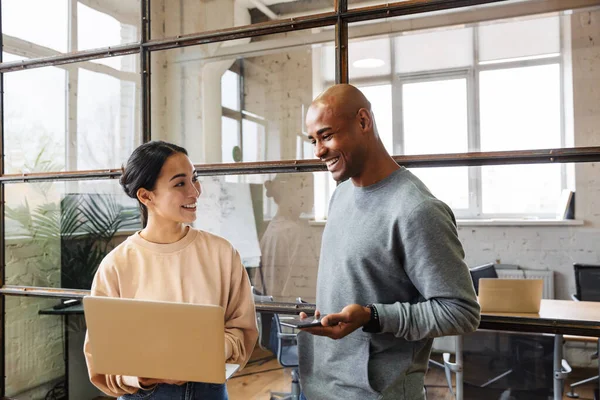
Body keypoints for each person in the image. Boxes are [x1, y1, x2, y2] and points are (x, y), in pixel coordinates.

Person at [297, 84, 480, 400]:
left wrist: (372, 317)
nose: (318, 151)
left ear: (364, 122)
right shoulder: (340, 195)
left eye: (326, 136)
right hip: (319, 389)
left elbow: (461, 311)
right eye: (313, 140)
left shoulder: (417, 210)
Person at [83, 140, 258, 400]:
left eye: (194, 179)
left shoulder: (222, 254)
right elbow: (101, 359)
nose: (195, 192)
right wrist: (139, 375)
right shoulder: (116, 265)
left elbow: (242, 331)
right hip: (143, 395)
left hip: (208, 391)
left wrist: (208, 350)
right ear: (146, 196)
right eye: (180, 183)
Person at [253, 173, 319, 302]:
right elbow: (306, 291)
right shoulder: (295, 232)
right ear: (291, 193)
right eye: (307, 189)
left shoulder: (272, 228)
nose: (312, 196)